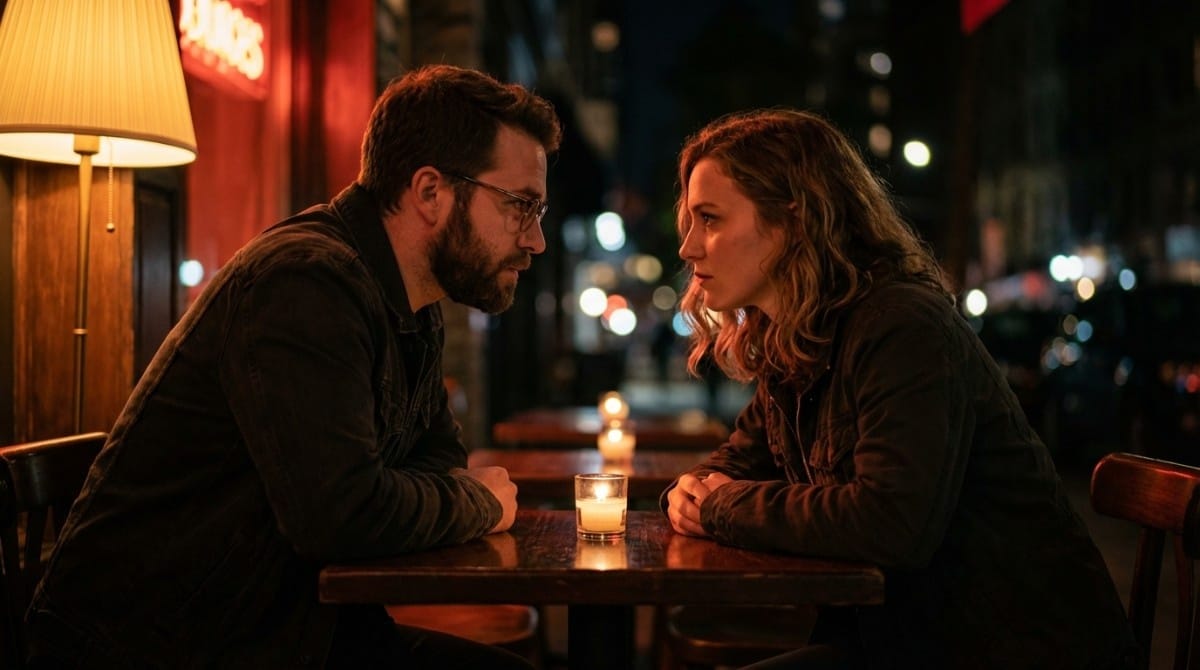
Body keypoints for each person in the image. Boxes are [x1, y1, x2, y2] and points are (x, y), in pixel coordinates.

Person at [26, 64, 561, 669]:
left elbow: (433, 462)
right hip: (164, 645)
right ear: (431, 192)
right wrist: (478, 504)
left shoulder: (412, 303)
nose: (535, 240)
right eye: (521, 206)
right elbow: (345, 515)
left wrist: (427, 494)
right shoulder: (305, 281)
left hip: (286, 629)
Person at [662, 109, 1138, 669]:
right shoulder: (797, 335)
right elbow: (742, 458)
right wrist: (692, 491)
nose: (688, 247)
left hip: (1012, 648)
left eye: (710, 219)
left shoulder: (900, 326)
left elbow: (891, 521)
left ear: (793, 220)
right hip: (901, 641)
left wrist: (719, 506)